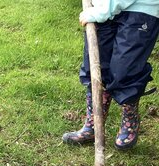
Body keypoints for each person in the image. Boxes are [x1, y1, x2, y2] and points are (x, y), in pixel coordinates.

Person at [62, 0, 159, 149]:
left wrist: (101, 11)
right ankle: (94, 123)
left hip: (140, 9)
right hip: (101, 6)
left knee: (126, 68)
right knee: (96, 66)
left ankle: (130, 119)